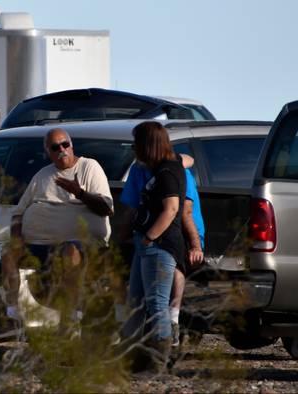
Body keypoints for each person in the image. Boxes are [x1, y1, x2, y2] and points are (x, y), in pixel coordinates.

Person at [2, 127, 114, 329]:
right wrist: (17, 240)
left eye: (65, 144)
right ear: (48, 151)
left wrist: (79, 193)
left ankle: (72, 314)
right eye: (56, 147)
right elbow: (18, 213)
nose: (62, 149)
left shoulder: (89, 167)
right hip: (39, 245)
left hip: (81, 244)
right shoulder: (42, 175)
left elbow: (106, 208)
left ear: (72, 145)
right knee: (8, 255)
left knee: (69, 251)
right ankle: (12, 313)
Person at [119, 156, 204, 348]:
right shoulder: (138, 170)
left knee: (173, 265)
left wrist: (195, 245)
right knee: (137, 290)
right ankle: (131, 341)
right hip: (150, 235)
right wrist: (123, 239)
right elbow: (131, 208)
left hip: (181, 233)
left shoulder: (173, 171)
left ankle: (173, 318)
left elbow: (184, 211)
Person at [125, 121, 187, 373]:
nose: (134, 148)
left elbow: (171, 209)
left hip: (159, 246)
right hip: (148, 245)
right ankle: (140, 356)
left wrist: (150, 236)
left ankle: (159, 361)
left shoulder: (166, 173)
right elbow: (187, 158)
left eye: (136, 143)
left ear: (147, 145)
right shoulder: (170, 165)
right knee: (139, 301)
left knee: (157, 302)